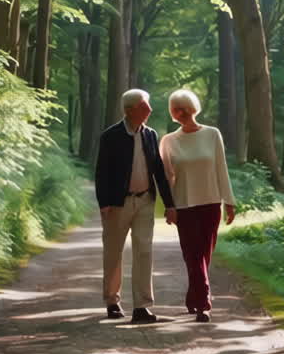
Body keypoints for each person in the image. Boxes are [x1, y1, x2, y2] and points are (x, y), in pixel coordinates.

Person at [95, 89, 177, 323]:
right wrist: (105, 203)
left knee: (144, 252)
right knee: (113, 254)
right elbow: (102, 172)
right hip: (117, 204)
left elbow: (159, 172)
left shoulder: (150, 135)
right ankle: (112, 302)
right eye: (144, 106)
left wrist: (170, 205)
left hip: (144, 201)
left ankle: (142, 306)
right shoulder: (110, 136)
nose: (150, 110)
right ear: (130, 110)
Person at [159, 89, 235, 323]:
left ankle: (194, 297)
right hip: (184, 205)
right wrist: (169, 206)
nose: (177, 112)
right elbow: (165, 177)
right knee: (191, 255)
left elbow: (221, 169)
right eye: (175, 108)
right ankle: (204, 304)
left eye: (181, 108)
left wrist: (229, 202)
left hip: (211, 203)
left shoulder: (212, 134)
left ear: (191, 109)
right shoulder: (169, 141)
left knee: (203, 255)